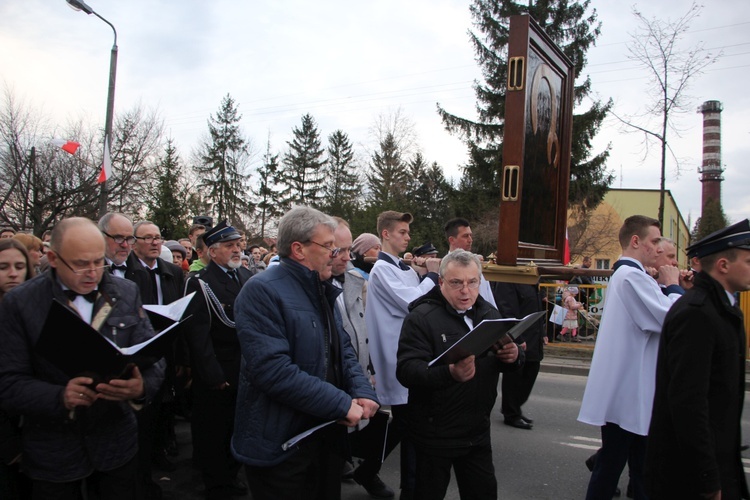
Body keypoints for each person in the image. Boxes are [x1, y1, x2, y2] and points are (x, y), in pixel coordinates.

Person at [0, 217, 165, 500]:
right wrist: (60, 396)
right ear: (52, 258)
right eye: (80, 264)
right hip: (54, 454)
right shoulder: (21, 303)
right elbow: (8, 382)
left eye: (99, 261)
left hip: (117, 446)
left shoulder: (125, 291)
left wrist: (141, 388)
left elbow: (154, 356)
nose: (92, 273)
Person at [231, 206, 378, 500]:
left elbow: (342, 349)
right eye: (328, 247)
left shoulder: (320, 288)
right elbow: (272, 371)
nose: (335, 255)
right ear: (298, 249)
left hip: (323, 437)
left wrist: (362, 389)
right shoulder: (261, 290)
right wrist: (339, 402)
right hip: (281, 444)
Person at [396, 250, 522, 499]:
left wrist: (514, 358)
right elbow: (407, 371)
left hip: (477, 433)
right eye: (456, 283)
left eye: (472, 282)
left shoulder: (489, 314)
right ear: (441, 282)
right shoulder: (421, 318)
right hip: (434, 435)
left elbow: (504, 361)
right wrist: (450, 373)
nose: (466, 291)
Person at [577, 215, 686, 500]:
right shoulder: (631, 276)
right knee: (613, 466)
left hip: (632, 391)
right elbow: (669, 318)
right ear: (636, 241)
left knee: (637, 465)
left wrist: (666, 286)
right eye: (653, 241)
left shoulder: (633, 276)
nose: (658, 248)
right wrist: (673, 286)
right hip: (627, 393)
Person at [646, 220, 750, 500]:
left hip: (715, 463)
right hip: (689, 477)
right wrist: (707, 478)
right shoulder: (698, 314)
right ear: (723, 265)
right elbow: (688, 404)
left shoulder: (721, 308)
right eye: (749, 260)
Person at [365, 210, 440, 499]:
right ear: (386, 234)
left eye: (408, 232)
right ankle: (409, 488)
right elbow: (414, 301)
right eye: (402, 232)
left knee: (407, 424)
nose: (408, 237)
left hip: (412, 353)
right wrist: (431, 274)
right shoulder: (381, 270)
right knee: (411, 427)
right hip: (396, 356)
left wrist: (424, 272)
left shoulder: (403, 268)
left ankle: (367, 470)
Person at [183, 221, 254, 499]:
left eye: (237, 244)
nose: (237, 249)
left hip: (245, 370)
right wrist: (213, 376)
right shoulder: (200, 283)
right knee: (214, 432)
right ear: (212, 252)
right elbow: (197, 335)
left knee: (237, 427)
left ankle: (231, 475)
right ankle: (216, 483)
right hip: (219, 372)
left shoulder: (246, 276)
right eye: (229, 246)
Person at [329, 218, 394, 498]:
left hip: (357, 377)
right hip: (330, 383)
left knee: (369, 431)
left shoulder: (355, 279)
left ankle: (364, 472)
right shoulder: (311, 285)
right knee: (327, 456)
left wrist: (368, 369)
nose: (348, 256)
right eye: (339, 250)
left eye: (348, 249)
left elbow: (362, 328)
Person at [0, 239, 34, 500]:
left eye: (19, 266)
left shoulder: (36, 311)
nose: (13, 273)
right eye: (3, 267)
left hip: (36, 432)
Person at [493, 281, 546, 430]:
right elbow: (506, 311)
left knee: (531, 370)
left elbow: (537, 309)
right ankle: (512, 413)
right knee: (515, 377)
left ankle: (514, 407)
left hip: (534, 337)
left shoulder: (531, 281)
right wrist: (516, 338)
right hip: (520, 338)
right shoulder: (508, 281)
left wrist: (543, 333)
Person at [444, 217, 498, 308]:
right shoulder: (444, 269)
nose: (470, 240)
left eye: (470, 235)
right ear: (452, 240)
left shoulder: (476, 265)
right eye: (465, 236)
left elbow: (488, 297)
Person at [98, 212, 137, 279]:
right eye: (118, 238)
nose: (125, 245)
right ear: (102, 237)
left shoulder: (141, 273)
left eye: (129, 238)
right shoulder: (91, 271)